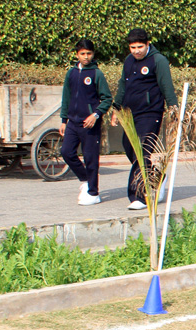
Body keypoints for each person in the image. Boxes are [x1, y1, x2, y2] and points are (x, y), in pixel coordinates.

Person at [110, 28, 177, 210]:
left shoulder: (158, 60)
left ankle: (138, 196)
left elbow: (166, 85)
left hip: (151, 112)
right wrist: (116, 109)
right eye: (133, 47)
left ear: (148, 44)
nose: (136, 51)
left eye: (140, 46)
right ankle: (157, 175)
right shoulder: (129, 61)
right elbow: (123, 86)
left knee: (142, 151)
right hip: (131, 113)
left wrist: (174, 109)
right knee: (130, 148)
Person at [58, 38, 112, 206]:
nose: (86, 57)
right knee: (66, 152)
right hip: (73, 123)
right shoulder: (71, 73)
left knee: (91, 158)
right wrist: (63, 120)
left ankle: (94, 193)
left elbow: (106, 99)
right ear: (77, 54)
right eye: (82, 54)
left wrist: (95, 115)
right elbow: (66, 97)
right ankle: (85, 179)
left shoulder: (97, 74)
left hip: (90, 123)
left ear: (93, 54)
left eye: (89, 53)